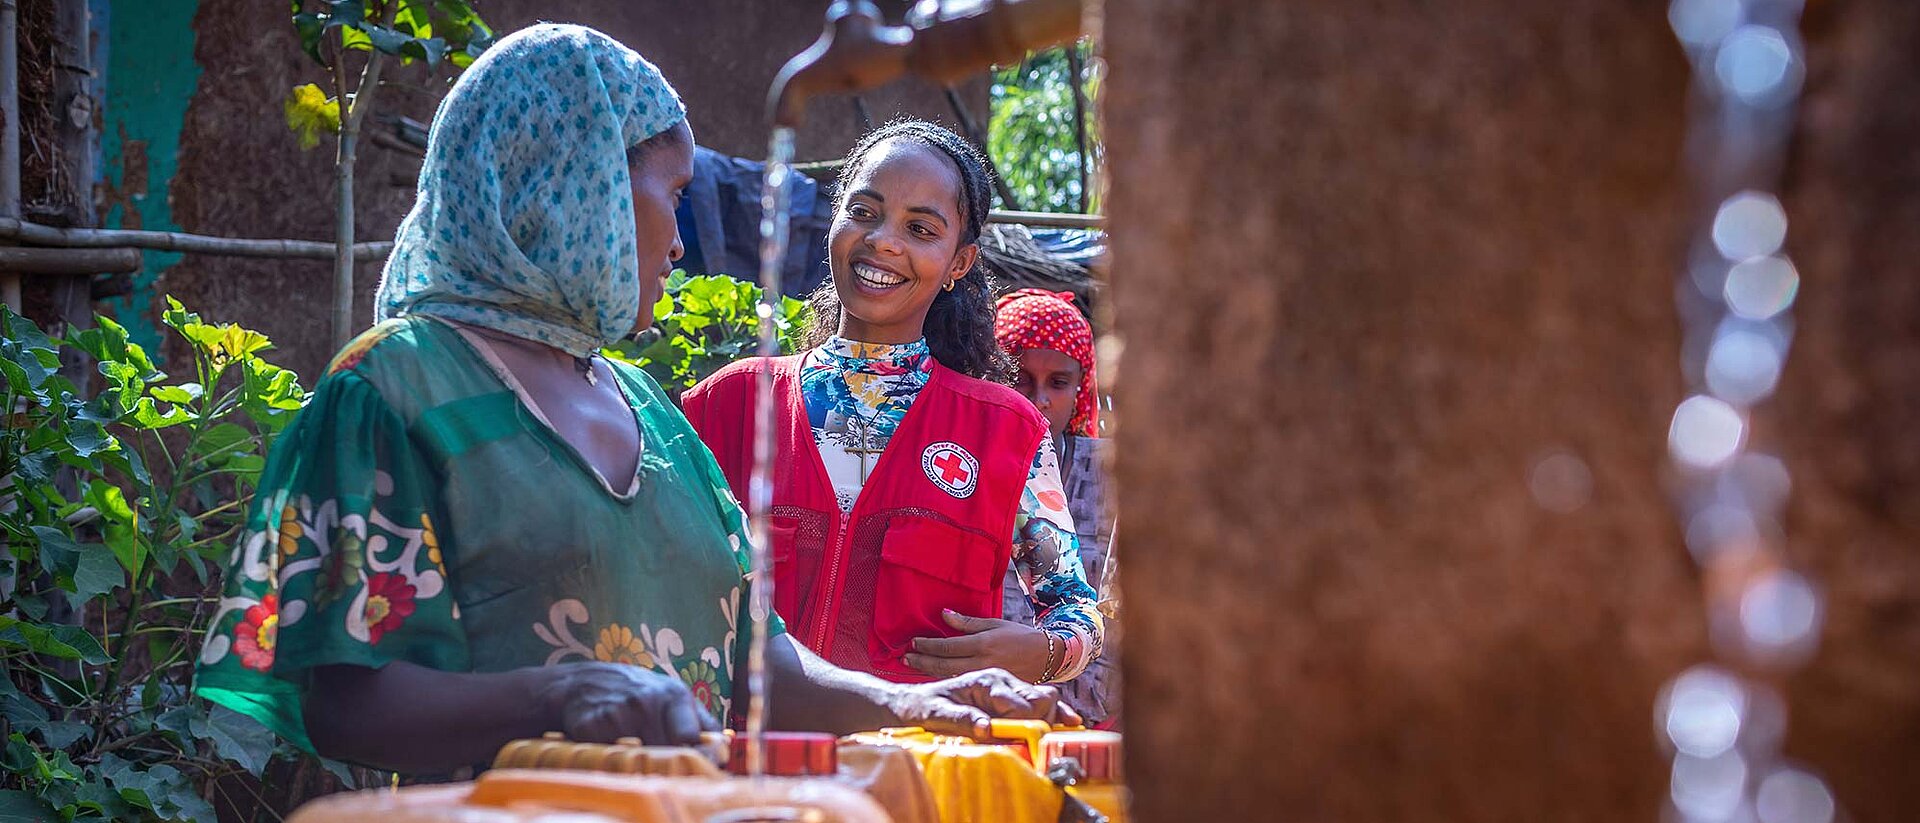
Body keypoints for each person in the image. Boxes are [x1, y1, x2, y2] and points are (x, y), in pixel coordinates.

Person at [192, 26, 1072, 777]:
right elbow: (340, 692)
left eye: (923, 227)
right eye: (673, 194)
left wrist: (921, 699)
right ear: (578, 188)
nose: (684, 243)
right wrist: (564, 692)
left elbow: (754, 655)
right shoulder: (394, 391)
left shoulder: (650, 411)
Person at [682, 120, 1103, 687]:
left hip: (918, 765)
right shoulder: (725, 405)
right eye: (864, 212)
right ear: (834, 219)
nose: (883, 239)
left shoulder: (1009, 434)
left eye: (921, 228)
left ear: (959, 262)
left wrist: (1045, 651)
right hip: (749, 763)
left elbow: (1077, 612)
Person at [994, 288, 1120, 728]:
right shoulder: (954, 471)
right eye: (1020, 378)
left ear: (1080, 389)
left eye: (1058, 383)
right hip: (979, 714)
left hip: (1095, 723)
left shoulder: (1114, 476)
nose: (1039, 399)